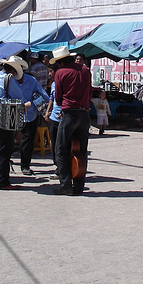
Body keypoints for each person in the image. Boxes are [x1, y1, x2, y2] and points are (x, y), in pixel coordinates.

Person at [51, 46, 92, 195]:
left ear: (60, 62)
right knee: (81, 150)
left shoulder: (60, 73)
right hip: (84, 114)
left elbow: (58, 98)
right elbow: (89, 91)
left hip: (69, 114)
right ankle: (79, 185)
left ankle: (66, 184)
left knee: (60, 149)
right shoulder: (85, 70)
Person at [0, 57, 28, 190]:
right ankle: (2, 181)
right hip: (5, 118)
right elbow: (19, 98)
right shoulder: (9, 80)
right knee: (4, 150)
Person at [18, 56, 50, 176]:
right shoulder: (9, 80)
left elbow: (43, 94)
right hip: (14, 114)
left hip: (30, 114)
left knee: (28, 141)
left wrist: (47, 108)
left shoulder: (31, 80)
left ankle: (25, 165)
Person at [44, 64, 62, 178]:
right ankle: (57, 166)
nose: (49, 74)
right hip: (53, 117)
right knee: (54, 143)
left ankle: (61, 169)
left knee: (60, 145)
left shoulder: (62, 83)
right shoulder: (54, 84)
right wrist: (47, 111)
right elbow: (52, 98)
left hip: (62, 117)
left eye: (51, 71)